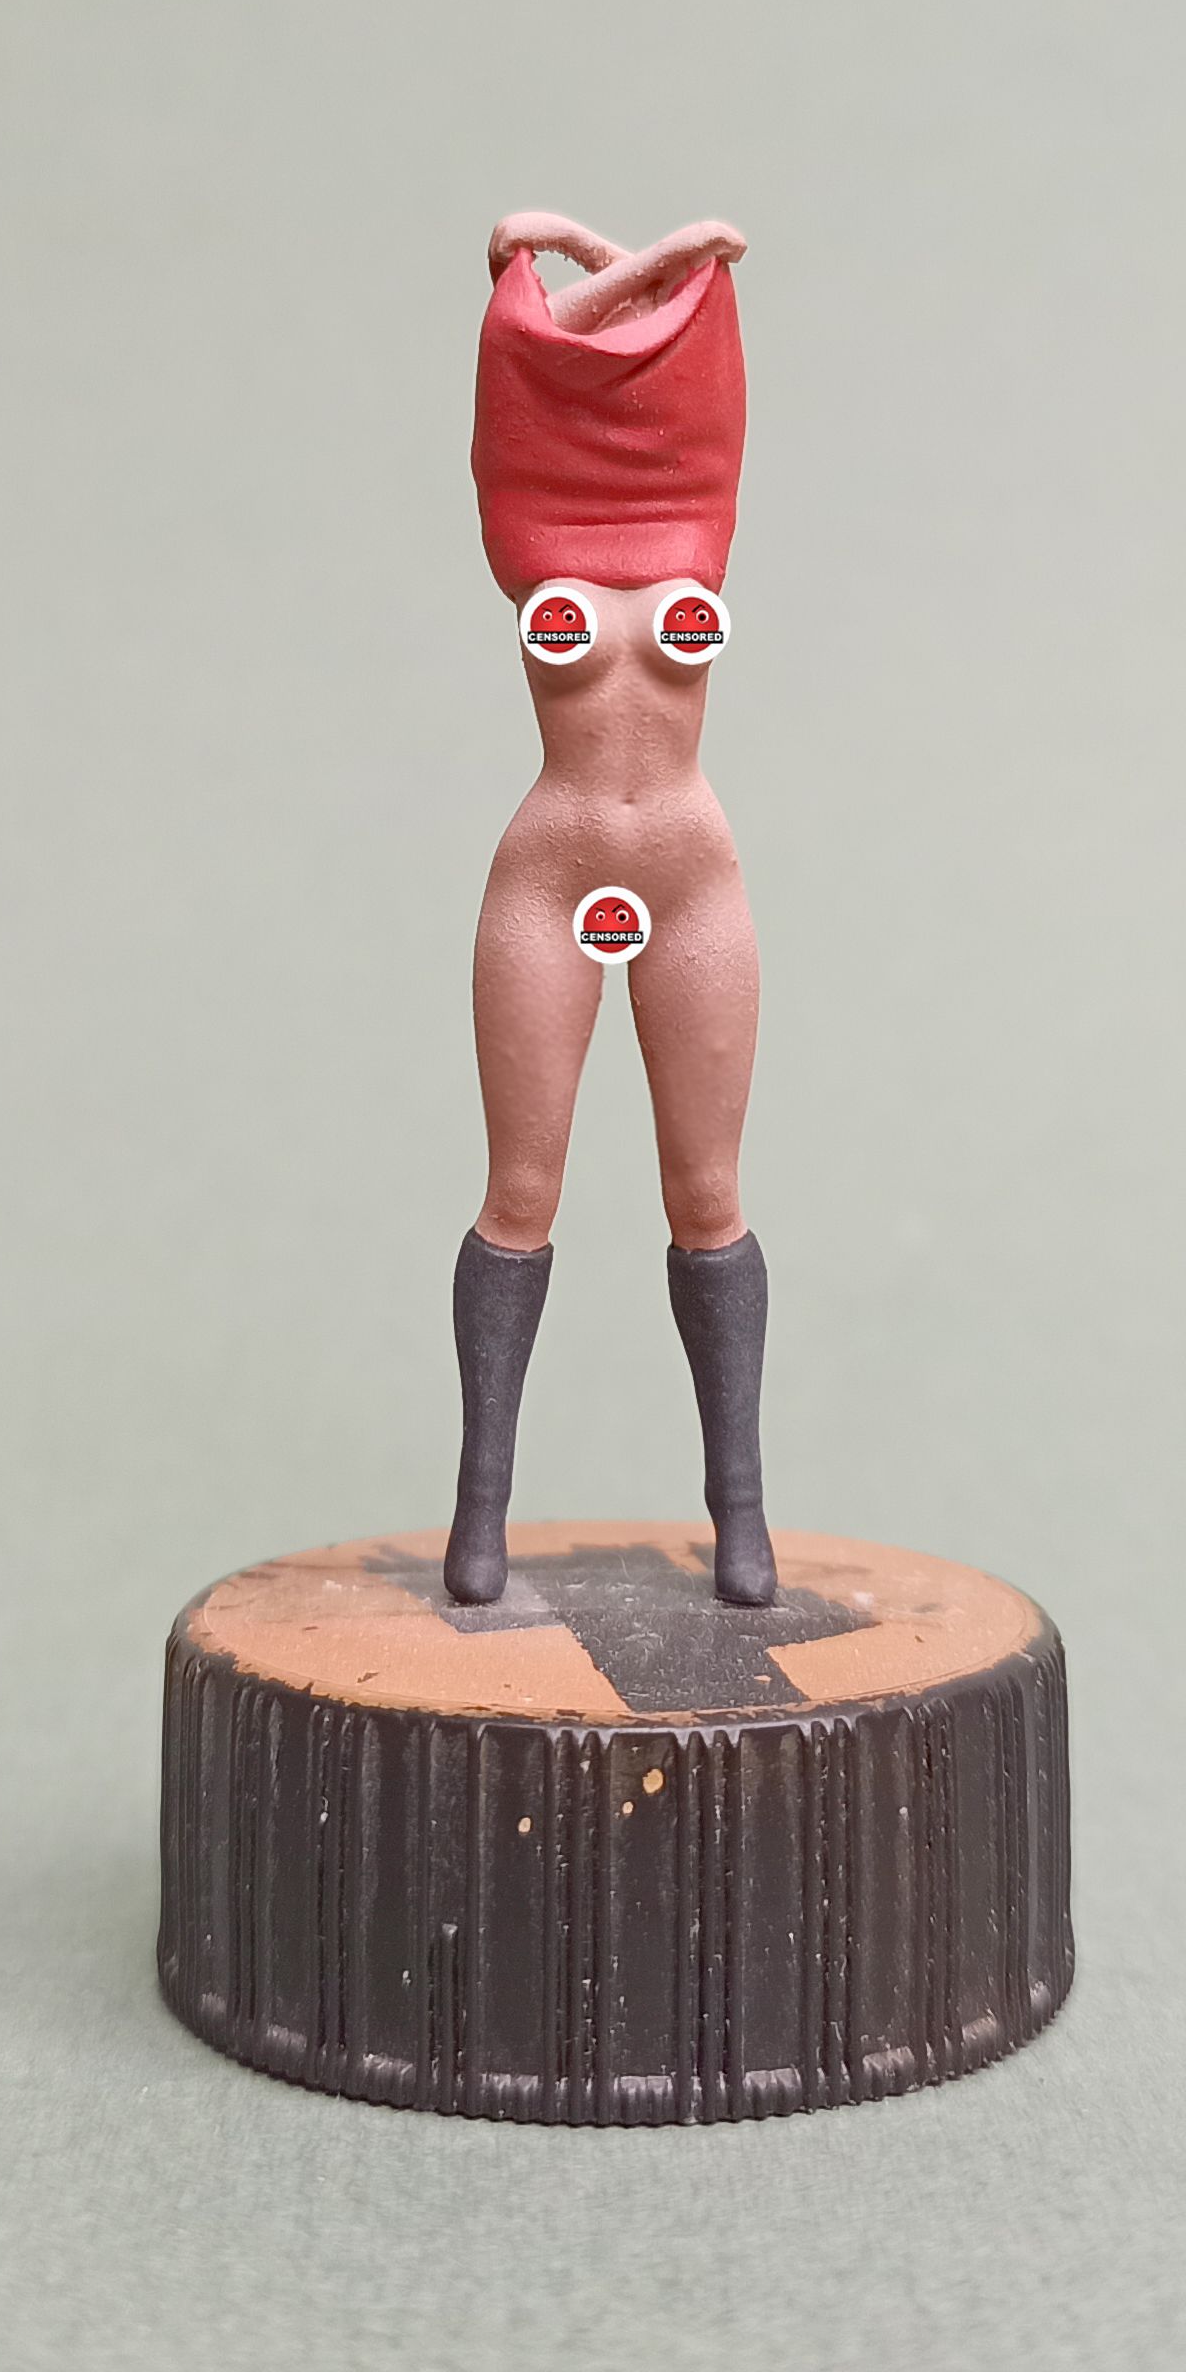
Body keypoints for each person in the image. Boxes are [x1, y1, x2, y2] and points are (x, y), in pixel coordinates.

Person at [445, 213, 779, 1609]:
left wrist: (650, 264)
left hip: (689, 878)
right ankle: (480, 1509)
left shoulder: (699, 502)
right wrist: (583, 258)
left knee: (707, 1194)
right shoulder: (530, 521)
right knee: (522, 1192)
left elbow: (707, 260)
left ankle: (741, 1513)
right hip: (556, 873)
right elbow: (549, 300)